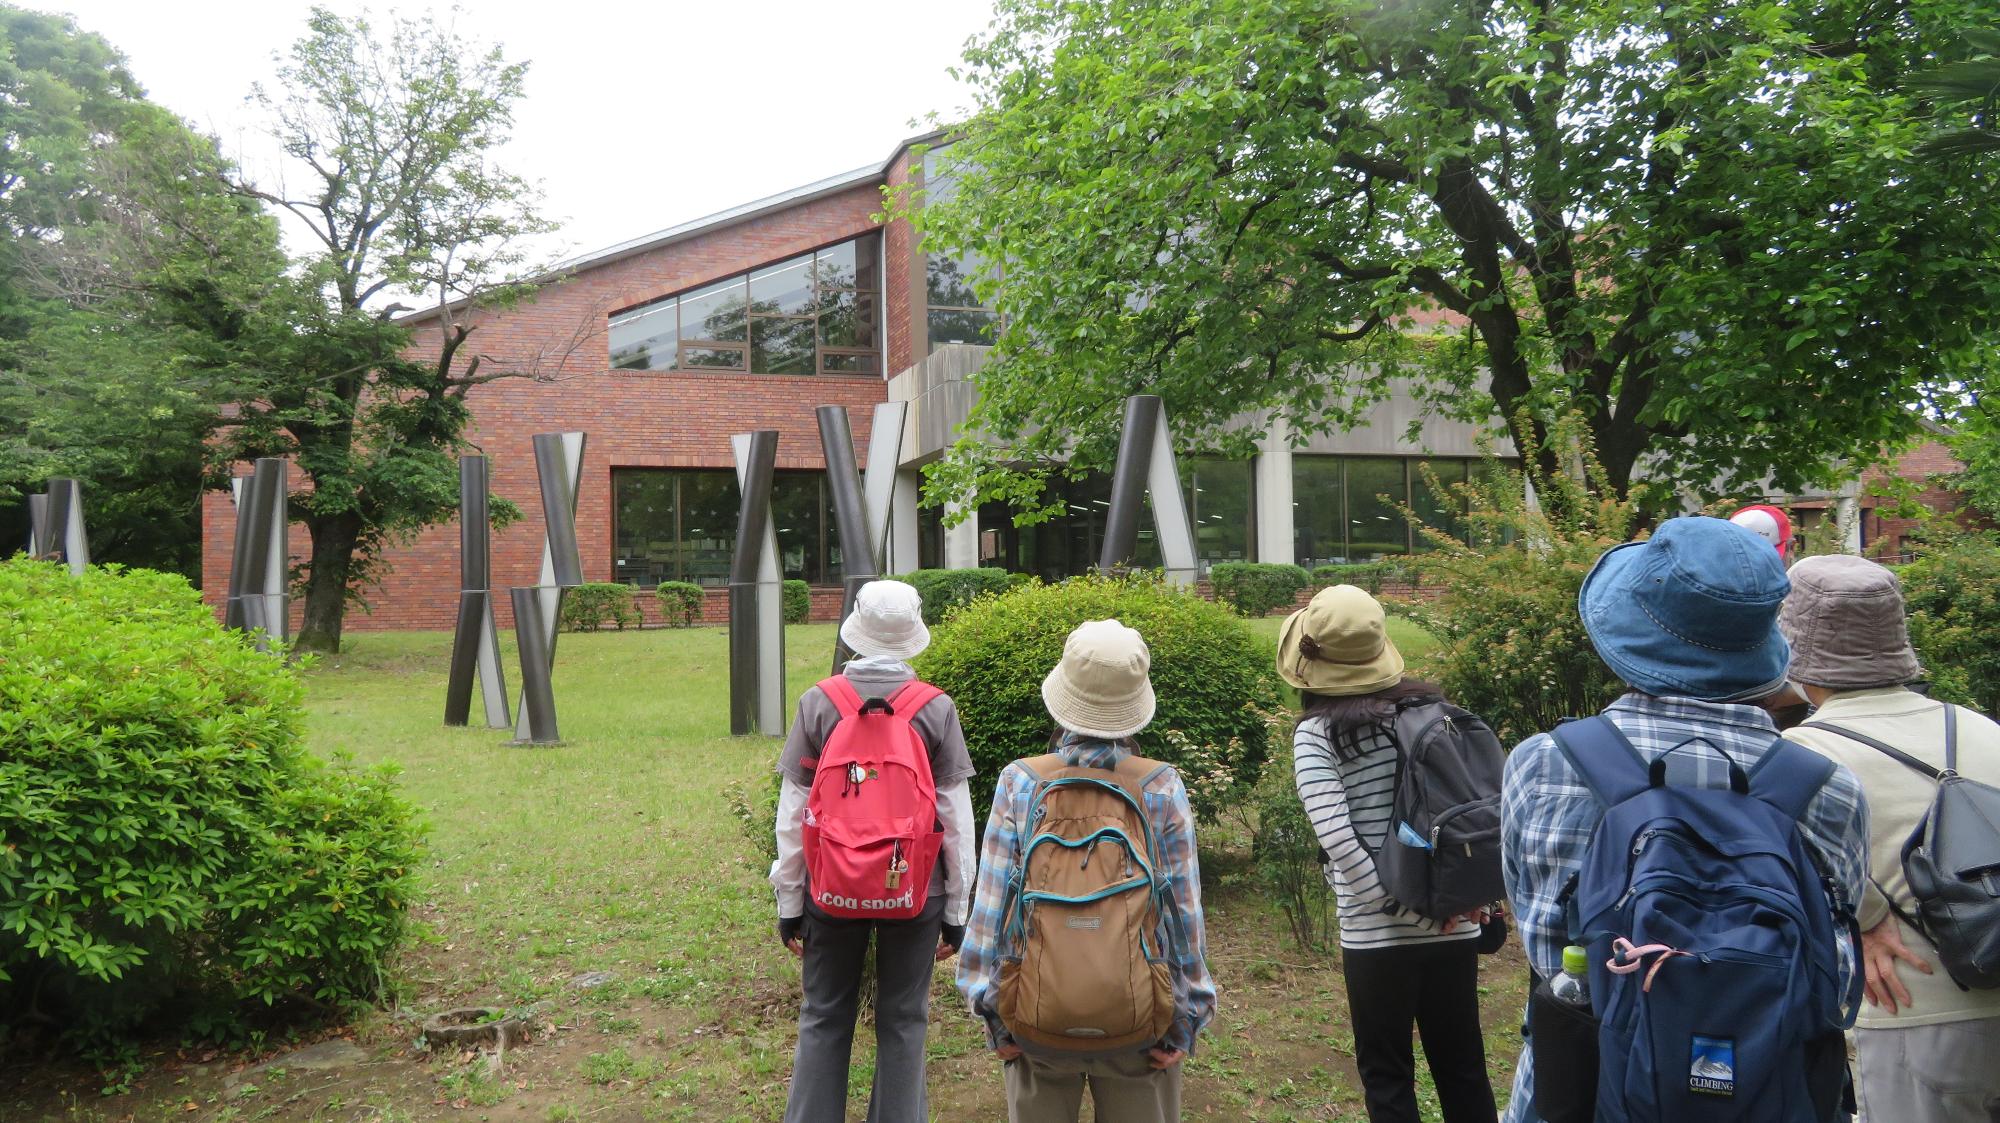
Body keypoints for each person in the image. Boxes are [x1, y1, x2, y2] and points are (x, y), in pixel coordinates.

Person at [1499, 516, 1869, 1123]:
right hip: (1771, 1095)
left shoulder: (1545, 764)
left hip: (1578, 1091)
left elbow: (1544, 942)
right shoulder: (1829, 790)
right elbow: (1835, 961)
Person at [958, 618, 1216, 1122]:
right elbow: (1183, 916)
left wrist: (992, 1014)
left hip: (1034, 1014)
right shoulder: (1161, 786)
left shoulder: (1020, 782)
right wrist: (1186, 1019)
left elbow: (990, 908)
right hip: (1142, 1019)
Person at [1779, 555, 2000, 1123]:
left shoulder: (1802, 753)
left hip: (1913, 1007)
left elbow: (1801, 871)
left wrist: (1868, 917)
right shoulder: (1981, 728)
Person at [1280, 585, 1500, 1123]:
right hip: (1452, 921)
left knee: (1388, 1078)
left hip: (1376, 934)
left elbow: (1339, 841)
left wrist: (1403, 911)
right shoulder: (1433, 714)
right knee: (1464, 1070)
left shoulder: (1318, 734)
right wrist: (1462, 905)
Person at [771, 579, 977, 1123]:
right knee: (905, 1019)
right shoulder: (935, 708)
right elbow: (956, 819)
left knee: (823, 1014)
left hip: (830, 886)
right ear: (914, 632)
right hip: (915, 889)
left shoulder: (819, 702)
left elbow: (793, 812)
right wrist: (957, 910)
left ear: (856, 630)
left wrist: (789, 902)